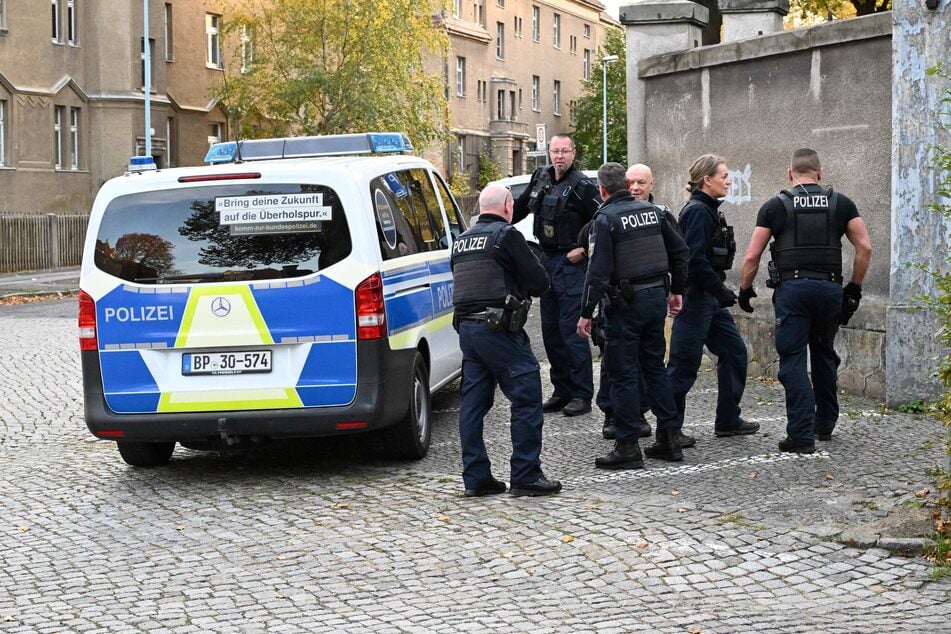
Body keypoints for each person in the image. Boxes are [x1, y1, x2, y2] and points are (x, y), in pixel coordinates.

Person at [738, 148, 871, 453]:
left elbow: (751, 255)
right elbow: (864, 247)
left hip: (794, 292)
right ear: (819, 173)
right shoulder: (841, 204)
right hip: (829, 291)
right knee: (824, 355)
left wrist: (745, 290)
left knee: (793, 361)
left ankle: (800, 435)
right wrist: (854, 288)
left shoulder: (776, 206)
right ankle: (824, 424)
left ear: (790, 174)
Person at [451, 183, 562, 497]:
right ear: (508, 205)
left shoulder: (461, 241)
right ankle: (526, 474)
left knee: (472, 406)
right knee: (526, 396)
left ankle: (476, 478)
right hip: (499, 329)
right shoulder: (506, 235)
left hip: (468, 333)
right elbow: (539, 282)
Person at [577, 163, 689, 469]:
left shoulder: (605, 218)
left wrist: (586, 312)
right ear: (627, 185)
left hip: (624, 303)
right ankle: (669, 436)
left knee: (623, 372)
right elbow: (680, 252)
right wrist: (677, 290)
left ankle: (627, 445)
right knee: (654, 366)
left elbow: (597, 271)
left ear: (602, 190)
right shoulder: (655, 213)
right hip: (655, 299)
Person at [667, 155, 759, 438]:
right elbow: (692, 259)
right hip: (697, 298)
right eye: (723, 176)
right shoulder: (697, 211)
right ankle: (668, 433)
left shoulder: (708, 209)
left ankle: (728, 420)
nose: (728, 181)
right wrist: (718, 288)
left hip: (709, 299)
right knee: (683, 367)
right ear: (707, 180)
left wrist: (717, 292)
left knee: (734, 352)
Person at [513, 134, 602, 417]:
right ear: (549, 153)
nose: (559, 156)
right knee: (550, 331)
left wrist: (584, 251)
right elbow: (520, 208)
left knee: (571, 331)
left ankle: (581, 394)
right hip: (547, 261)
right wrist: (496, 222)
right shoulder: (541, 177)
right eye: (555, 151)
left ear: (574, 154)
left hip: (572, 263)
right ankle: (561, 390)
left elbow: (602, 221)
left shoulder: (583, 187)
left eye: (565, 151)